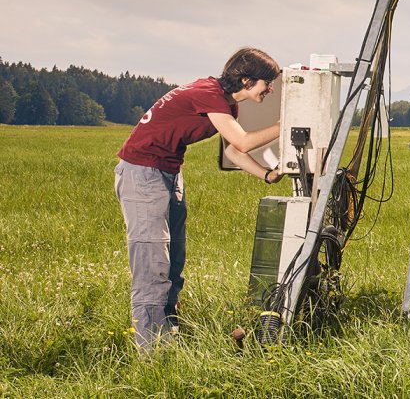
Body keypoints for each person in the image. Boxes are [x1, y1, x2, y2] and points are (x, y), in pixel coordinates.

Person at [114, 47, 283, 350]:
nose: (270, 89)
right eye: (267, 83)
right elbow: (242, 141)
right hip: (142, 174)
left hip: (167, 173)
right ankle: (152, 353)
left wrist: (267, 175)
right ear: (246, 79)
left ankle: (169, 336)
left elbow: (233, 151)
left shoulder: (227, 105)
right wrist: (287, 126)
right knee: (153, 265)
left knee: (173, 260)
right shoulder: (209, 93)